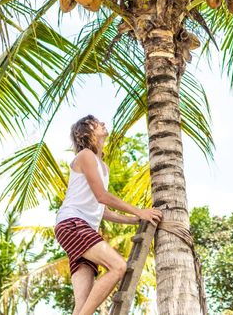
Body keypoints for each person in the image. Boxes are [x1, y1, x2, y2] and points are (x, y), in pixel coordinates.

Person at [54, 114, 163, 315]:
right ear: (86, 132)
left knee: (82, 304)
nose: (103, 123)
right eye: (97, 123)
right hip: (72, 224)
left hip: (80, 228)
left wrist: (134, 219)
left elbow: (103, 211)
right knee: (118, 267)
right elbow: (102, 196)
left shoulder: (103, 167)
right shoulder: (85, 155)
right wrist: (139, 211)